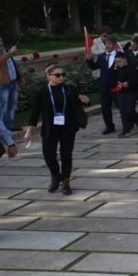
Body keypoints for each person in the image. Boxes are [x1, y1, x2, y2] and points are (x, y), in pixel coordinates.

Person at [23, 65, 90, 195]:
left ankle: (65, 181)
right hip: (50, 129)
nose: (61, 77)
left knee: (66, 155)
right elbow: (34, 113)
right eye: (57, 75)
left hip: (67, 128)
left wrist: (86, 101)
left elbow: (82, 102)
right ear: (48, 76)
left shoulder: (69, 89)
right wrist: (29, 130)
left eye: (62, 74)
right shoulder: (42, 93)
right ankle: (55, 176)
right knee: (48, 155)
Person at [85, 34, 120, 134]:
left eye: (110, 44)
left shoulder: (119, 55)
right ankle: (109, 126)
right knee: (105, 108)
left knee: (121, 106)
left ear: (114, 45)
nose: (107, 45)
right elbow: (94, 67)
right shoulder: (101, 56)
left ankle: (132, 121)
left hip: (116, 86)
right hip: (104, 87)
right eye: (106, 43)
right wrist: (89, 59)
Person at [113, 52, 138, 138]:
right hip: (121, 92)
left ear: (125, 59)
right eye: (117, 62)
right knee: (123, 111)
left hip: (131, 92)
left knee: (130, 110)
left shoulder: (132, 68)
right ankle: (125, 129)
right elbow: (114, 79)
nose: (118, 63)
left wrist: (129, 83)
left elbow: (137, 80)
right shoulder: (116, 68)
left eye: (120, 61)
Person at [0, 35, 22, 131]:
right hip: (1, 85)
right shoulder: (5, 54)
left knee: (11, 106)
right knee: (1, 108)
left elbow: (13, 66)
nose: (0, 43)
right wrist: (10, 53)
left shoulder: (4, 52)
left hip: (12, 83)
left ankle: (9, 126)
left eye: (1, 41)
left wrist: (19, 77)